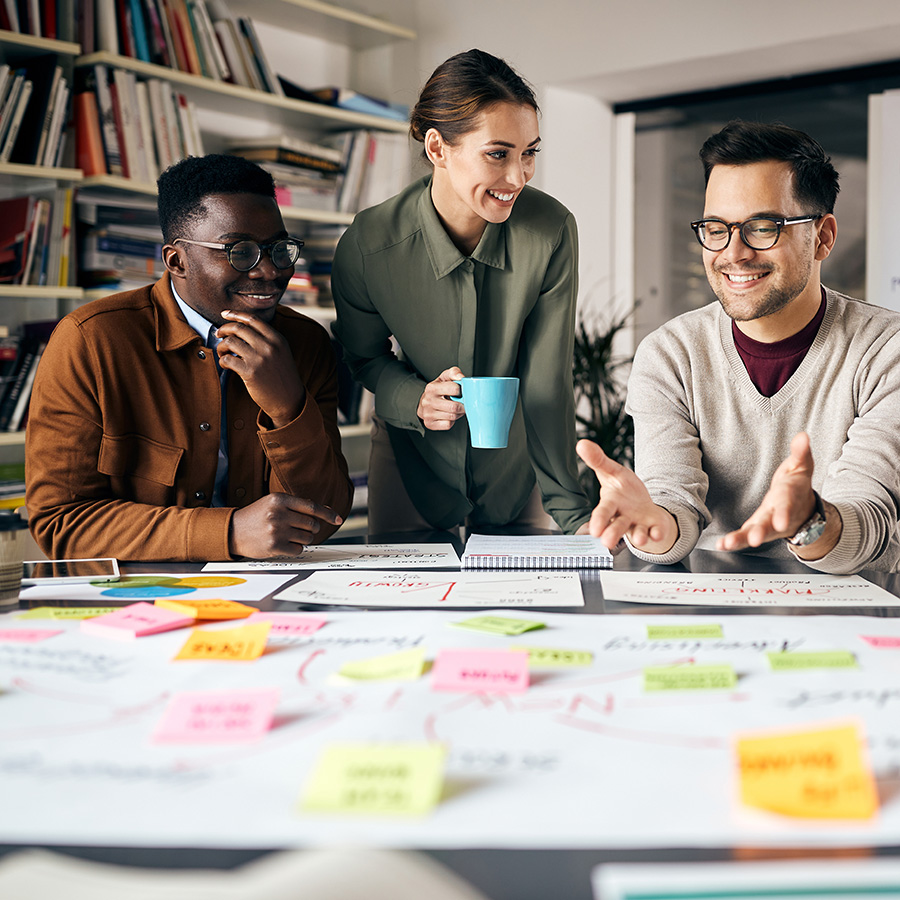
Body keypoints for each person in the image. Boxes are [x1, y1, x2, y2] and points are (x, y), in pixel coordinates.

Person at [577, 120, 900, 574]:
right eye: (716, 227)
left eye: (762, 227)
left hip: (852, 612)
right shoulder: (671, 355)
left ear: (823, 237)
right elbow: (671, 503)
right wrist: (654, 525)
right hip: (710, 610)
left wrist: (808, 521)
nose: (734, 253)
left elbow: (870, 517)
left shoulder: (887, 351)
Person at [26, 154, 352, 560]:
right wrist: (227, 533)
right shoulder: (90, 341)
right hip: (139, 599)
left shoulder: (306, 343)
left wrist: (288, 409)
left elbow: (326, 517)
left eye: (278, 249)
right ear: (176, 260)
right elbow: (59, 523)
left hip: (269, 596)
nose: (269, 271)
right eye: (240, 251)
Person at [332, 49, 591, 535]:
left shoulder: (551, 229)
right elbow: (362, 358)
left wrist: (572, 513)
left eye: (529, 152)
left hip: (519, 467)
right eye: (498, 154)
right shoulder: (369, 244)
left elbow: (547, 378)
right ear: (437, 149)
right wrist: (414, 399)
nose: (517, 177)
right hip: (412, 460)